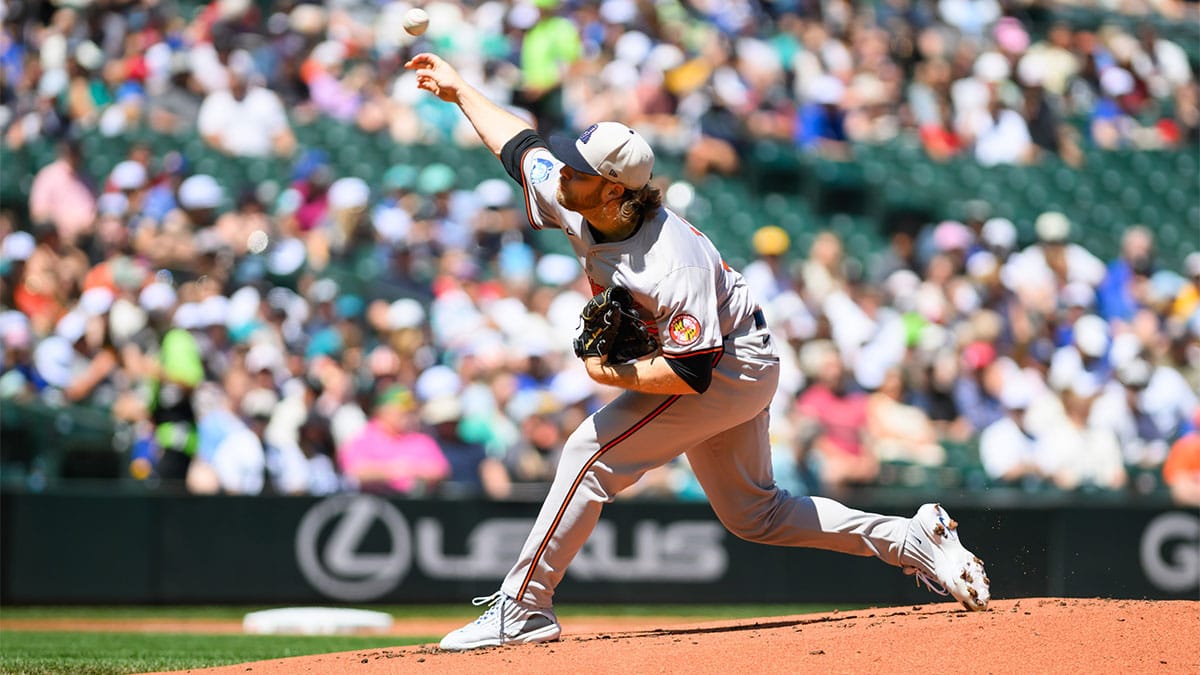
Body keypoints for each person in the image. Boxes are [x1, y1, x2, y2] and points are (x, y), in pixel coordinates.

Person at [404, 52, 991, 652]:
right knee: (755, 515)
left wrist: (606, 369)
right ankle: (913, 539)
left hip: (726, 368)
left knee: (589, 454)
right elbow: (520, 147)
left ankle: (524, 607)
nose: (563, 176)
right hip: (741, 357)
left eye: (578, 172)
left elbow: (690, 373)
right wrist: (460, 90)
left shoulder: (669, 261)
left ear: (612, 189)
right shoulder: (580, 197)